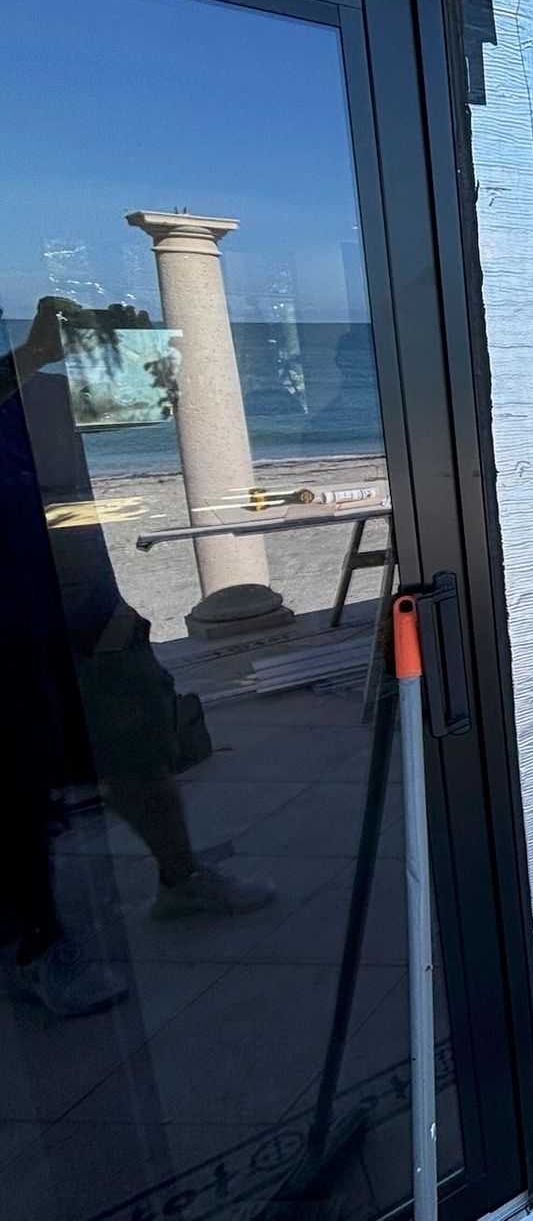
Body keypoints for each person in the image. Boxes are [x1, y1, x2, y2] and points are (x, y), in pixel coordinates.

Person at [2, 295, 275, 1017]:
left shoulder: (37, 392)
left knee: (134, 743)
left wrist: (132, 347)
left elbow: (147, 412)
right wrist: (30, 356)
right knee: (18, 789)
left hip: (79, 596)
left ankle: (180, 881)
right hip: (8, 621)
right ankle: (36, 944)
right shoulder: (21, 376)